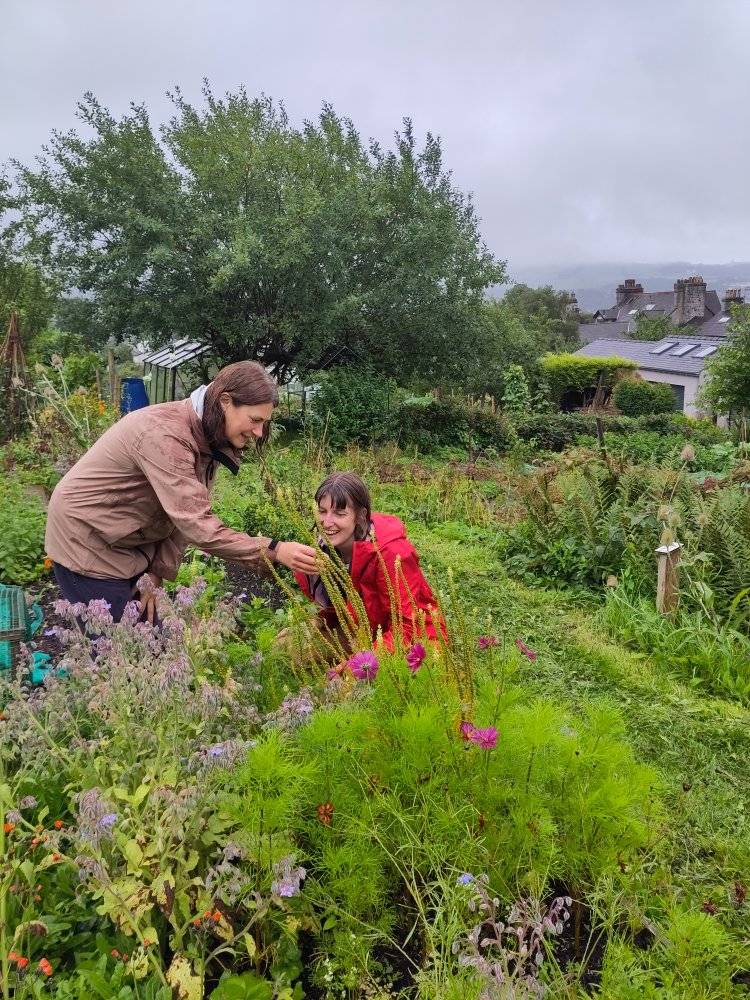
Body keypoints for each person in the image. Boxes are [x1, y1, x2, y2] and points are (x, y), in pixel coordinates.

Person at [45, 361, 319, 623]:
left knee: (146, 642)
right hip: (87, 540)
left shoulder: (207, 435)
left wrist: (155, 572)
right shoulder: (166, 436)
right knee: (118, 648)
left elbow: (180, 515)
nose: (260, 432)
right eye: (255, 419)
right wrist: (274, 549)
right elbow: (196, 524)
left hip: (126, 542)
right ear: (225, 402)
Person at [293, 471, 445, 650]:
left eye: (339, 514)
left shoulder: (391, 552)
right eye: (322, 511)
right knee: (290, 643)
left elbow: (406, 627)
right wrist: (323, 620)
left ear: (360, 515)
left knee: (350, 677)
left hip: (415, 641)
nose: (326, 523)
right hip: (364, 630)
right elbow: (345, 603)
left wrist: (359, 664)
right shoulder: (326, 547)